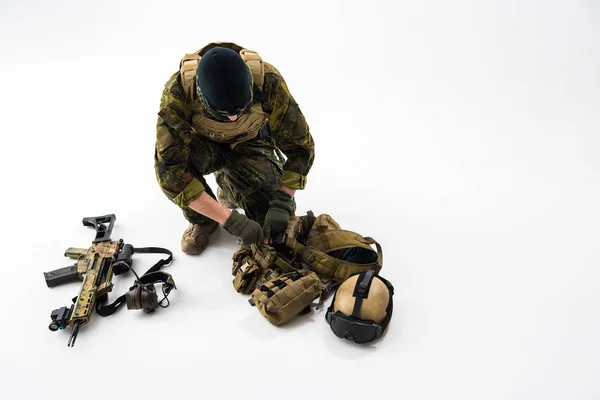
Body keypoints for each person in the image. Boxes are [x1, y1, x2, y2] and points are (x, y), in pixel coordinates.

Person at [154, 42, 315, 255]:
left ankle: (229, 188)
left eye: (241, 108)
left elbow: (301, 146)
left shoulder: (267, 81)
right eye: (222, 112)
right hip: (206, 146)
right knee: (172, 174)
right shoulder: (179, 92)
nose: (232, 117)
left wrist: (284, 199)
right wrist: (230, 221)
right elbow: (170, 171)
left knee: (272, 221)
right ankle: (203, 220)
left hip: (252, 143)